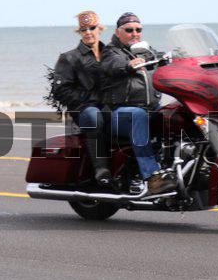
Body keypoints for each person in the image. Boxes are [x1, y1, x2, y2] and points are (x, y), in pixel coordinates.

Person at [100, 12, 176, 194]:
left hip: (150, 108)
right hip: (118, 113)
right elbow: (114, 65)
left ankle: (181, 165)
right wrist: (128, 65)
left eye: (138, 29)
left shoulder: (146, 51)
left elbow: (162, 58)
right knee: (138, 115)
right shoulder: (111, 52)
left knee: (176, 113)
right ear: (118, 32)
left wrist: (179, 57)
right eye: (129, 30)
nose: (135, 33)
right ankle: (152, 177)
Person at [47, 11, 111, 186]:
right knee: (93, 115)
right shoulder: (69, 58)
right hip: (83, 110)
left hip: (109, 107)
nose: (88, 32)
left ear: (100, 29)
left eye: (92, 28)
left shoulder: (111, 54)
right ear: (79, 32)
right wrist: (91, 100)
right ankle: (101, 169)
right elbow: (60, 91)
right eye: (84, 29)